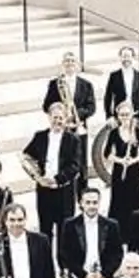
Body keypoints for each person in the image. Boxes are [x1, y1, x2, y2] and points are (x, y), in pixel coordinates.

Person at [23, 104, 82, 245]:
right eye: (55, 117)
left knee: (64, 231)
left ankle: (63, 266)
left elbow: (75, 166)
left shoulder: (73, 139)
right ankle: (46, 265)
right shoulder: (40, 137)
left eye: (61, 118)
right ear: (49, 118)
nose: (58, 121)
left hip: (64, 190)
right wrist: (36, 176)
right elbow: (27, 156)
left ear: (66, 119)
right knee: (45, 230)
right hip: (43, 190)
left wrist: (56, 179)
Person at [41, 50, 95, 201]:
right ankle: (65, 194)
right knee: (64, 162)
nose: (70, 63)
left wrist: (75, 114)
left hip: (79, 128)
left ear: (78, 64)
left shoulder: (86, 85)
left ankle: (83, 197)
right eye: (67, 61)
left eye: (72, 61)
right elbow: (46, 106)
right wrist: (61, 111)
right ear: (62, 65)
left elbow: (91, 107)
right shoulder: (55, 84)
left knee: (81, 164)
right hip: (61, 129)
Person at [104, 101, 139, 229]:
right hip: (119, 171)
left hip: (134, 171)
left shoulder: (137, 132)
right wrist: (120, 160)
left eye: (127, 114)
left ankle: (134, 232)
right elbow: (106, 154)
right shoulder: (113, 133)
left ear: (132, 115)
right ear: (117, 116)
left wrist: (133, 160)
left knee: (134, 199)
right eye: (121, 115)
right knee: (119, 200)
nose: (124, 118)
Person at [102, 45, 139, 122]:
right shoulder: (114, 76)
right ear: (120, 58)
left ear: (133, 58)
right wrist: (109, 116)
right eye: (124, 56)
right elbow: (108, 97)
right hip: (119, 116)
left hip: (136, 115)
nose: (126, 59)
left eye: (128, 56)